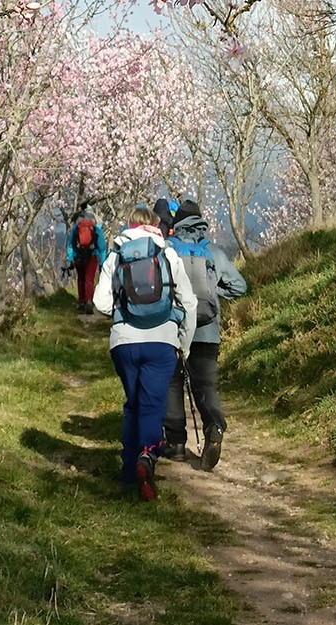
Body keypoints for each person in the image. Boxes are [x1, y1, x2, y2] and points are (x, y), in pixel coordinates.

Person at [93, 205, 197, 500]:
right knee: (152, 405)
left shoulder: (116, 255)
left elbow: (100, 303)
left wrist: (123, 311)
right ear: (155, 226)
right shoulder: (167, 253)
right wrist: (183, 344)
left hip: (124, 342)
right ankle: (147, 457)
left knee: (134, 404)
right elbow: (188, 303)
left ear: (129, 226)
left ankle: (129, 470)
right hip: (162, 341)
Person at [163, 198, 247, 471]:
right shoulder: (214, 252)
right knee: (206, 385)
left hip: (174, 330)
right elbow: (239, 286)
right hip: (208, 330)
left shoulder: (168, 250)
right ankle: (214, 425)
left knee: (173, 385)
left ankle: (175, 444)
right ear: (201, 222)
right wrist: (214, 295)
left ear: (177, 224)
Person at [66, 201, 106, 313]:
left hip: (78, 255)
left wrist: (70, 258)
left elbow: (70, 243)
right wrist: (103, 262)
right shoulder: (96, 226)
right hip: (92, 256)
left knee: (81, 278)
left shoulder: (76, 226)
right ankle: (89, 300)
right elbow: (102, 246)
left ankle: (82, 301)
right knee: (89, 279)